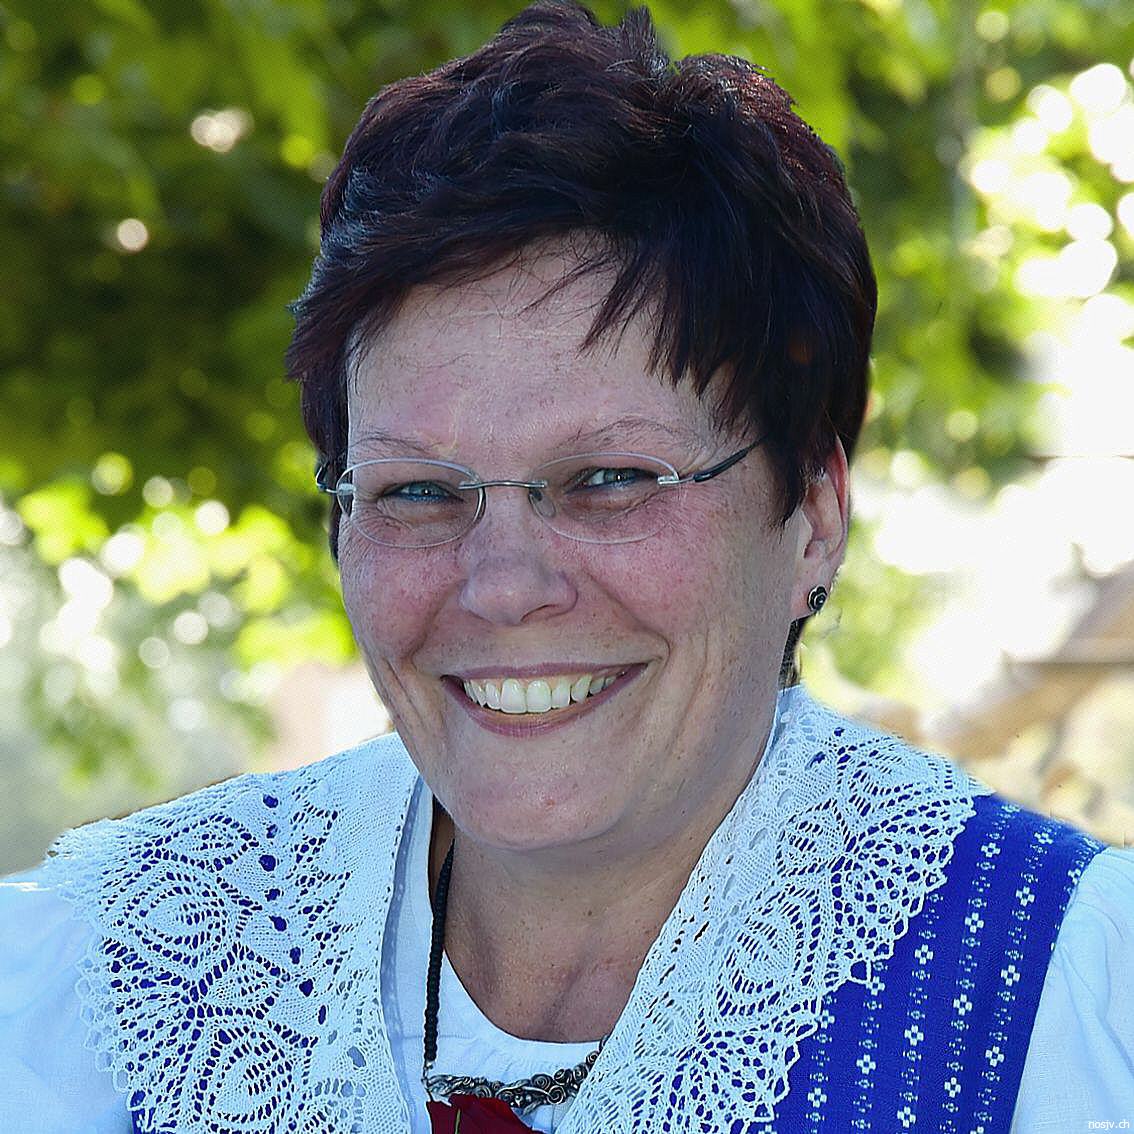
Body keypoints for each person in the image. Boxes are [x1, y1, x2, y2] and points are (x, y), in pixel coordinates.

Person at [2, 2, 1132, 1131]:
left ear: (815, 515)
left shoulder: (1064, 999)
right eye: (418, 491)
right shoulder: (101, 980)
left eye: (610, 480)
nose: (503, 585)